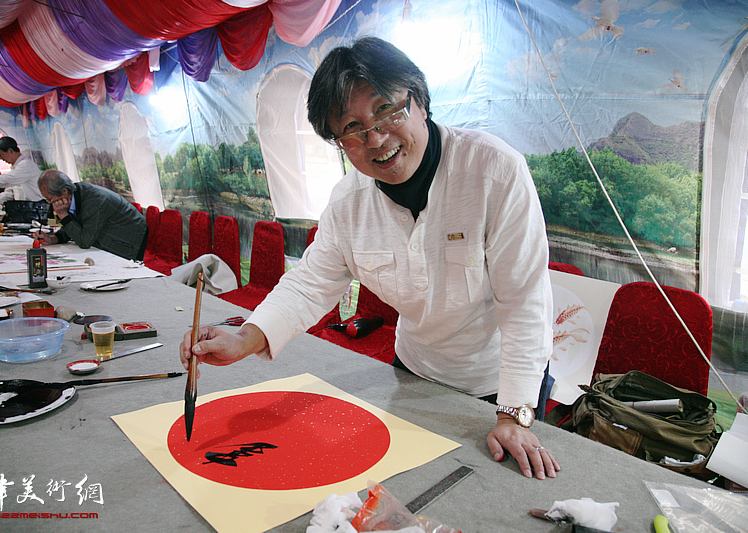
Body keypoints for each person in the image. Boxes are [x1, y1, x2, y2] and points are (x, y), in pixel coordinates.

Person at [179, 37, 559, 479]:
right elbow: (311, 283)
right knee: (409, 487)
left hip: (503, 384)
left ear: (419, 102)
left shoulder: (494, 171)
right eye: (352, 128)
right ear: (338, 141)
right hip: (416, 371)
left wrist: (513, 417)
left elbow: (525, 302)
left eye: (387, 111)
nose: (376, 138)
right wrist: (245, 338)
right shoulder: (348, 202)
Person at [35, 170, 148, 261]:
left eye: (50, 199)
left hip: (125, 246)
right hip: (102, 239)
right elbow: (77, 227)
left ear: (64, 191)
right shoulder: (76, 193)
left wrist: (63, 215)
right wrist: (54, 239)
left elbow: (84, 241)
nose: (49, 203)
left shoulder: (95, 201)